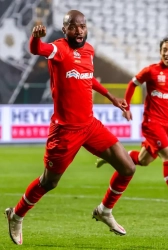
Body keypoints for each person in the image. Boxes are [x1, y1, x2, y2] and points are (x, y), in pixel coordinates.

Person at [5, 10, 135, 245]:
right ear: (65, 30)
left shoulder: (89, 51)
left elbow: (89, 77)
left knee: (128, 167)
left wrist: (113, 98)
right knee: (49, 182)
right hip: (65, 132)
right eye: (73, 27)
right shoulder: (58, 48)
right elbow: (36, 50)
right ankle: (16, 214)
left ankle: (104, 210)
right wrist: (36, 37)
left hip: (90, 125)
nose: (79, 31)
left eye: (82, 26)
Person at [96, 35, 168, 212]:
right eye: (164, 50)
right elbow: (132, 84)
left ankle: (112, 156)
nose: (167, 53)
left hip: (167, 125)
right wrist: (126, 106)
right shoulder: (151, 71)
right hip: (152, 124)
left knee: (144, 160)